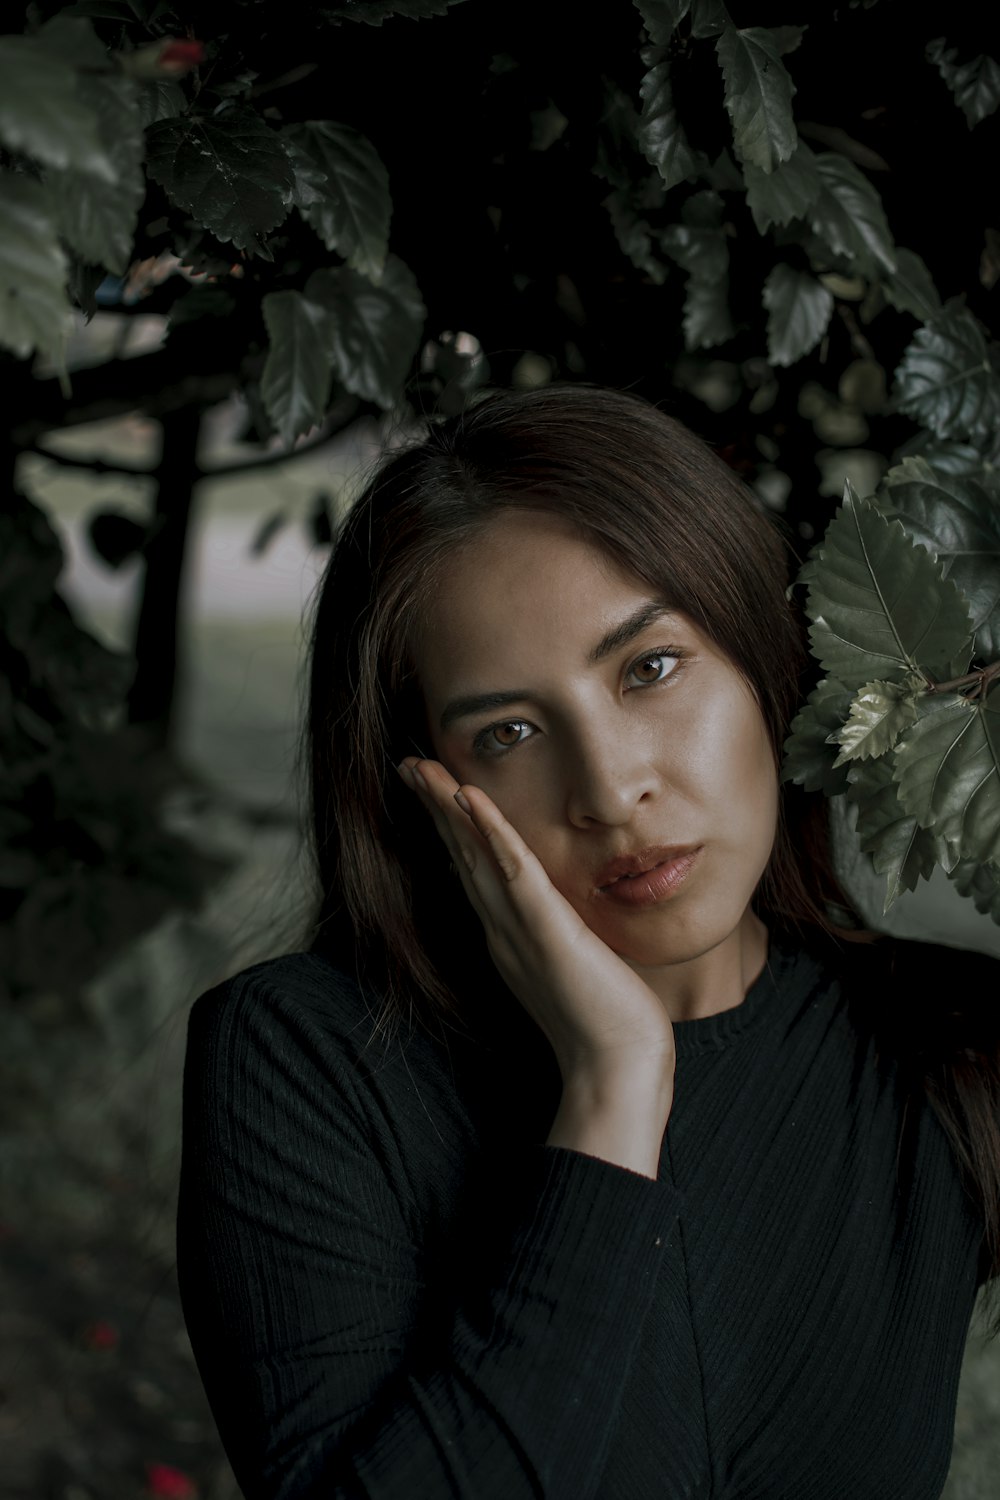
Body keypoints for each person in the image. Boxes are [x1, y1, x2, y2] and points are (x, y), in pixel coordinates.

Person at [176, 384, 1000, 1500]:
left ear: (764, 655)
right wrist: (611, 1093)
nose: (611, 789)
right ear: (425, 785)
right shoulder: (307, 1058)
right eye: (507, 732)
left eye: (649, 668)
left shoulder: (942, 1050)